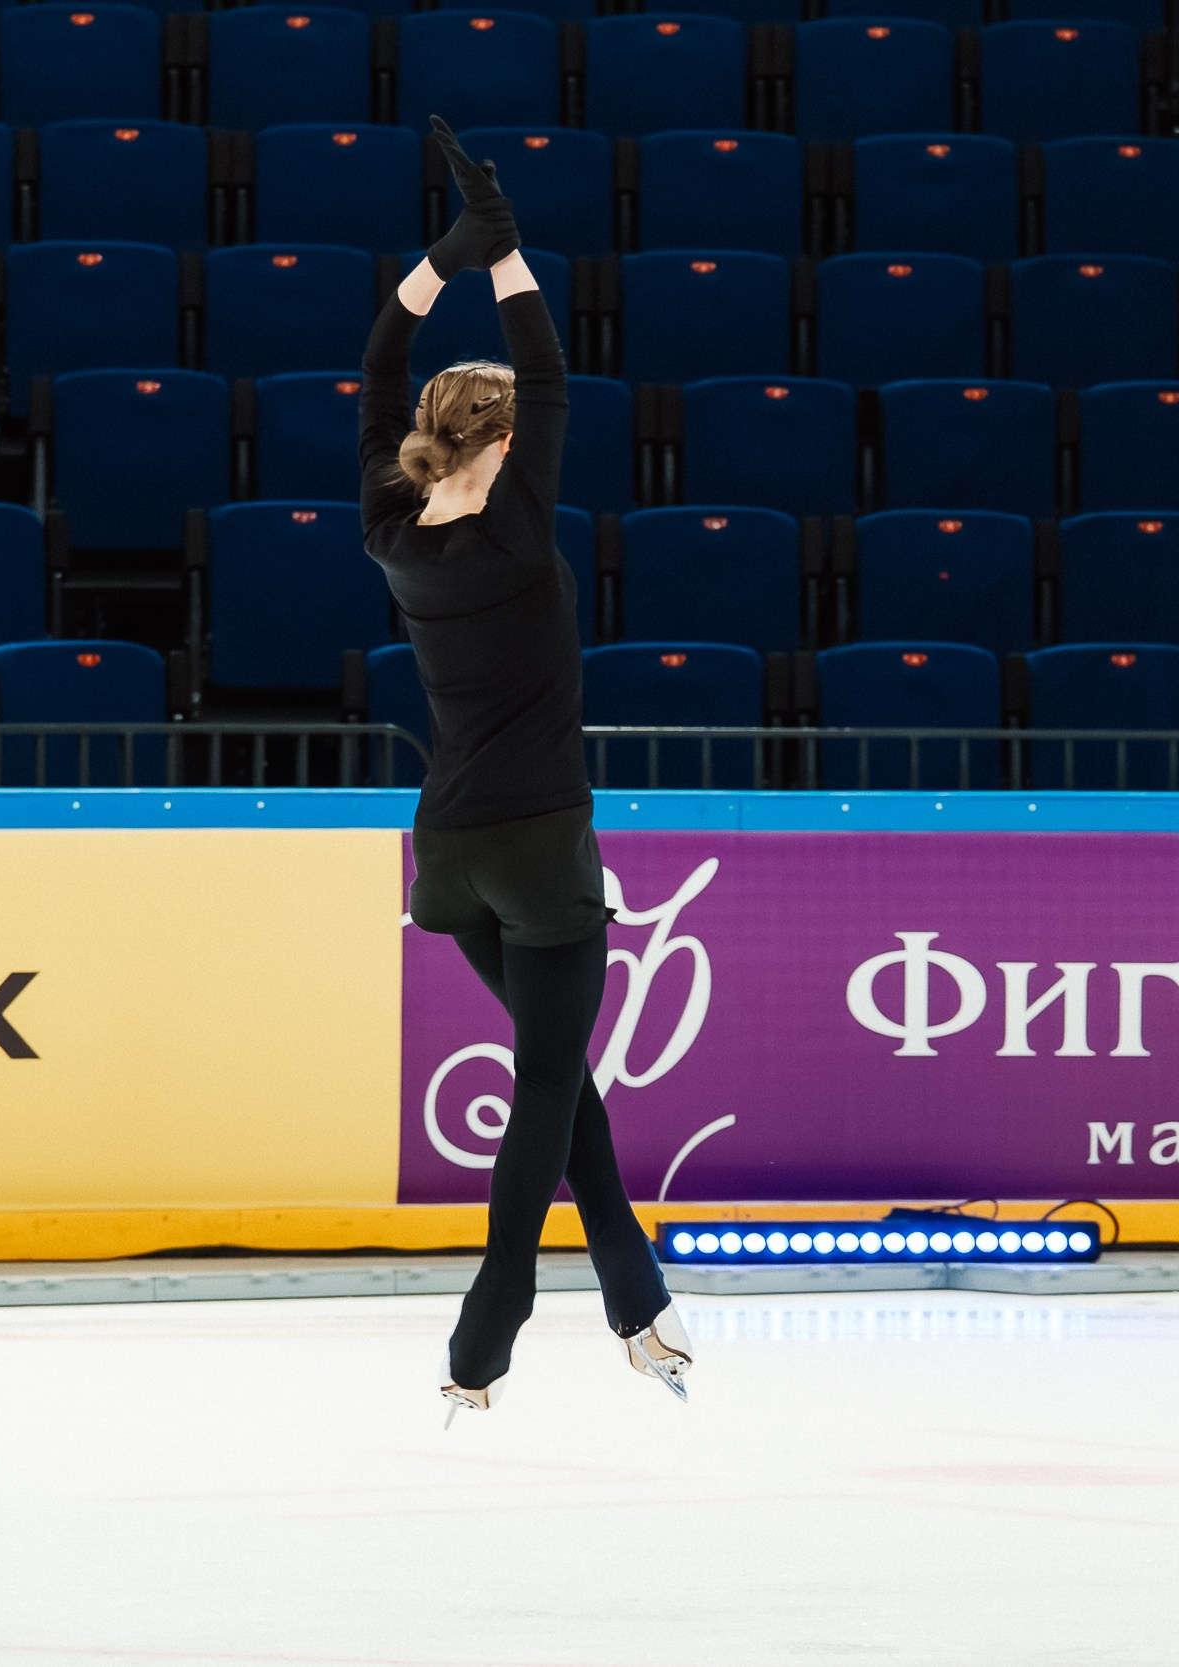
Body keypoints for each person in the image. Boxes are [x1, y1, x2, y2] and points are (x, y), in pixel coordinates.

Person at [361, 119, 693, 1422]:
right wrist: (502, 258)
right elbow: (552, 377)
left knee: (566, 1079)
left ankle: (639, 1308)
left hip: (444, 857)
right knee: (549, 1085)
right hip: (545, 847)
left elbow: (382, 358)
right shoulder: (514, 524)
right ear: (499, 440)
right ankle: (481, 1342)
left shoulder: (391, 531)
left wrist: (444, 258)